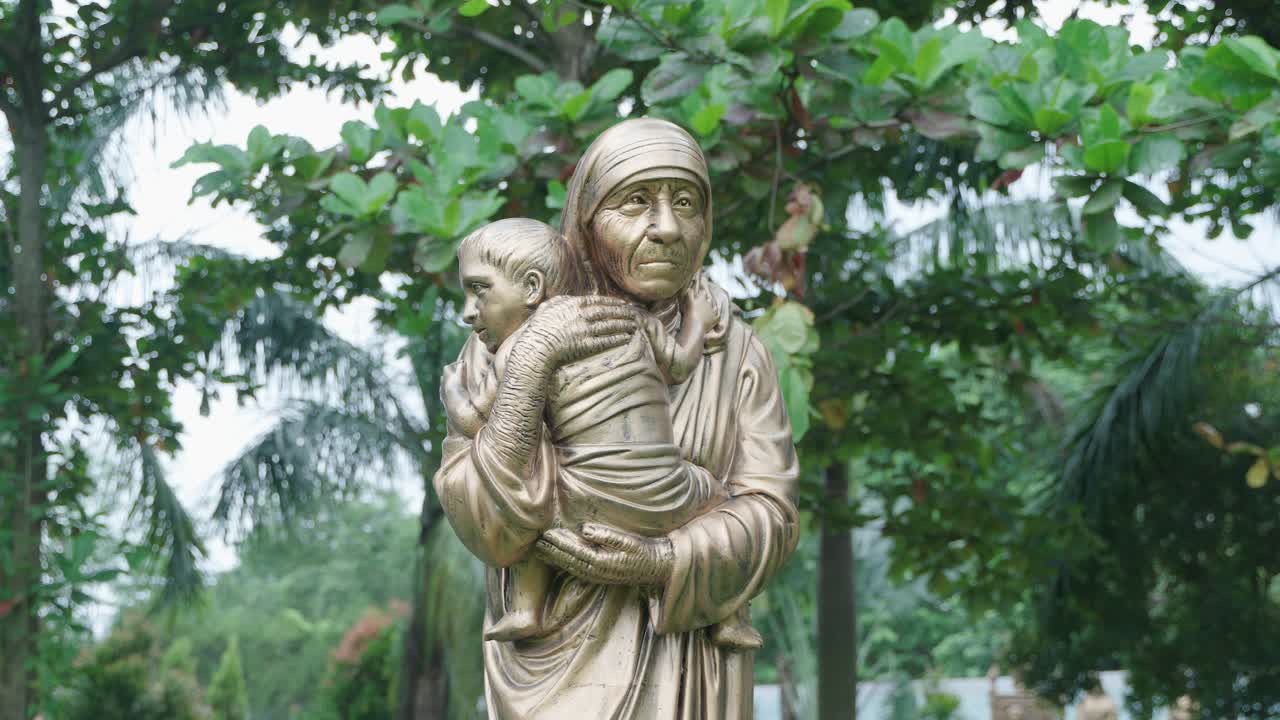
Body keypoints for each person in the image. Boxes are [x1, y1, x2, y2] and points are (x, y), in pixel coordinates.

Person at [434, 118, 799, 719]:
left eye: (686, 203)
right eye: (635, 202)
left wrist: (662, 563)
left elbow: (772, 514)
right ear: (586, 218)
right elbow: (481, 520)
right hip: (551, 662)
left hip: (687, 668)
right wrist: (535, 363)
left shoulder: (734, 353)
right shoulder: (506, 337)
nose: (666, 228)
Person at [445, 217, 759, 649]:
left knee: (534, 520)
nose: (467, 312)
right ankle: (728, 615)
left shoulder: (517, 346)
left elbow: (481, 423)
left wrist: (454, 399)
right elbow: (682, 362)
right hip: (666, 494)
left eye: (479, 290)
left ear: (533, 288)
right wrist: (699, 321)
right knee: (719, 498)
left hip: (579, 505)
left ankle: (525, 609)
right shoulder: (630, 317)